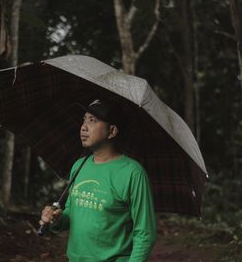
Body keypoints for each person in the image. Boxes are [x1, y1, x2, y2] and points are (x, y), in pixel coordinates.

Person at [39, 99, 157, 262]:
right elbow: (72, 215)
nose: (83, 127)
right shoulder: (80, 165)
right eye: (84, 119)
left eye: (92, 121)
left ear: (112, 131)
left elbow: (145, 233)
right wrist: (57, 218)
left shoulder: (132, 173)